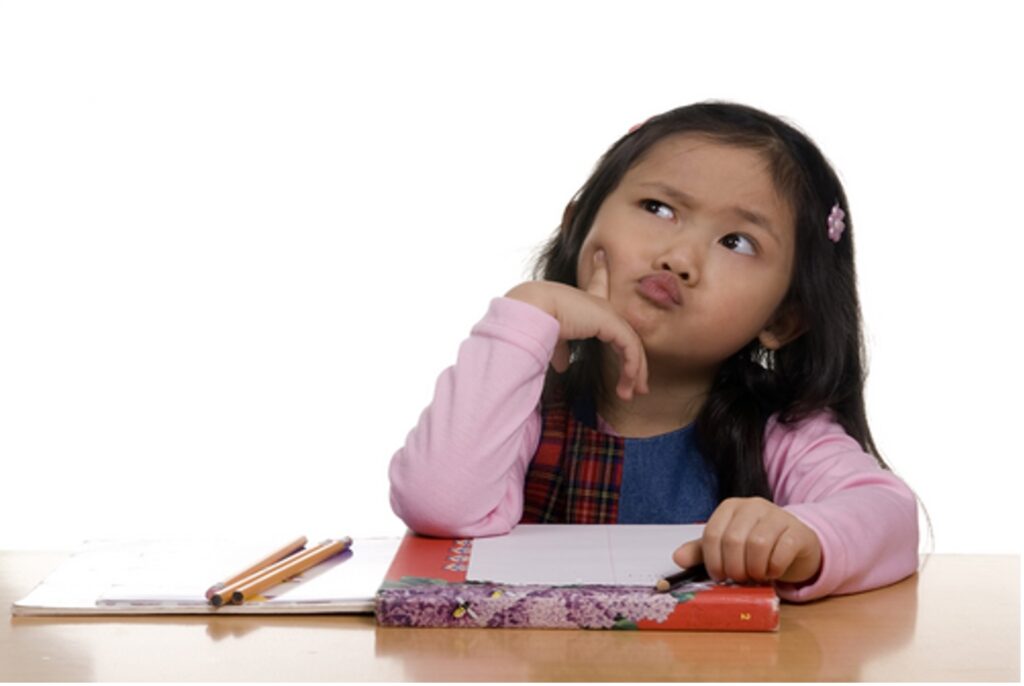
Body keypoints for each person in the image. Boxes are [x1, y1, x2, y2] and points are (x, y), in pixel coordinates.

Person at [388, 102, 919, 602]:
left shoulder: (779, 433)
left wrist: (805, 538)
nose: (679, 257)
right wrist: (527, 314)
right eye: (658, 207)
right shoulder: (518, 409)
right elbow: (437, 503)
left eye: (737, 242)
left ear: (781, 319)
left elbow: (891, 518)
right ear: (577, 227)